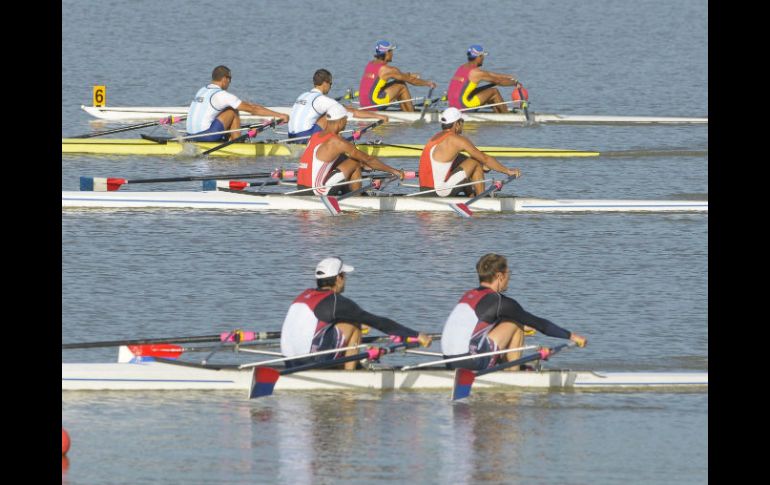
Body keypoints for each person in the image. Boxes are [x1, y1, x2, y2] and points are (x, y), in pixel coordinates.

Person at [441, 253, 587, 371]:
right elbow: (541, 325)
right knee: (516, 323)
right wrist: (572, 336)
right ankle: (513, 373)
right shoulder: (501, 302)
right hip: (471, 364)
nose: (509, 278)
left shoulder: (468, 295)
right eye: (508, 273)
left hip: (449, 361)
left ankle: (504, 366)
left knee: (514, 325)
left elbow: (483, 323)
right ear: (500, 276)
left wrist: (525, 328)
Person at [280, 257, 433, 369]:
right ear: (338, 278)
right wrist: (415, 335)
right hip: (310, 362)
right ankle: (350, 375)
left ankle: (340, 365)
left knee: (347, 323)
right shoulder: (335, 301)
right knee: (354, 324)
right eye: (344, 276)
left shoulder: (303, 295)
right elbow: (378, 322)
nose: (345, 280)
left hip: (289, 361)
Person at [296, 103, 404, 195]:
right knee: (355, 161)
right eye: (346, 119)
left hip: (300, 188)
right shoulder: (337, 142)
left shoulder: (314, 136)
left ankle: (349, 194)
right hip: (317, 192)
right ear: (340, 121)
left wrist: (364, 165)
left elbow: (332, 160)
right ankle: (357, 199)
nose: (346, 122)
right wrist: (395, 171)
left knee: (351, 161)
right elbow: (368, 159)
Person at [418, 107, 521, 197]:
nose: (463, 125)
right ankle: (481, 200)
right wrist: (508, 171)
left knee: (465, 162)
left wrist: (483, 166)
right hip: (438, 192)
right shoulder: (456, 139)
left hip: (423, 191)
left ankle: (471, 195)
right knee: (475, 162)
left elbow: (465, 163)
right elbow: (484, 158)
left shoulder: (435, 138)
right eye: (462, 122)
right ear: (456, 124)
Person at [185, 65, 289, 142]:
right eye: (230, 79)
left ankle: (228, 138)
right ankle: (237, 142)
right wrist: (279, 115)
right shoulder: (222, 95)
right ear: (224, 79)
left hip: (189, 135)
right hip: (206, 136)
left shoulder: (202, 90)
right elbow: (252, 109)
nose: (230, 82)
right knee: (233, 110)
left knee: (224, 110)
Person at [287, 68, 388, 142]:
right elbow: (352, 112)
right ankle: (338, 142)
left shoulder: (302, 95)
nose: (330, 87)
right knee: (333, 114)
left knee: (332, 110)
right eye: (331, 84)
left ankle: (332, 140)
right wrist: (378, 116)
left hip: (291, 137)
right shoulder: (321, 99)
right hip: (305, 138)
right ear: (325, 83)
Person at [358, 40, 437, 112]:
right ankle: (411, 114)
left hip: (363, 103)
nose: (392, 54)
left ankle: (406, 111)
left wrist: (409, 74)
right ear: (387, 53)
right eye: (391, 51)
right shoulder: (388, 69)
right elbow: (411, 80)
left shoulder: (370, 64)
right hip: (374, 104)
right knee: (401, 86)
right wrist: (428, 83)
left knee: (398, 82)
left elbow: (400, 76)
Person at [447, 45, 521, 113]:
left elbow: (490, 74)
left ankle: (498, 115)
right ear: (479, 57)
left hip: (452, 106)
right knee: (494, 92)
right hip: (463, 107)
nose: (483, 58)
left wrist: (507, 76)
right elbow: (498, 81)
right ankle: (507, 116)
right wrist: (515, 83)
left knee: (485, 92)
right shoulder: (476, 72)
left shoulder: (461, 68)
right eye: (482, 56)